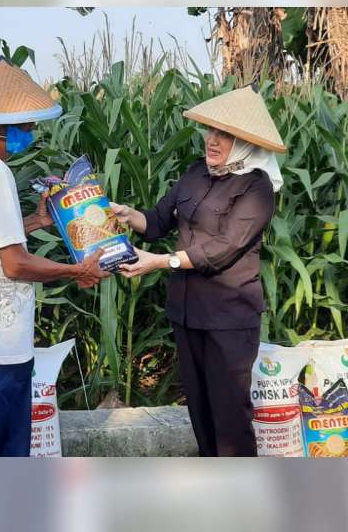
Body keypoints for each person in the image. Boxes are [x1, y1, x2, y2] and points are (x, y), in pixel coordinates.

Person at [0, 58, 109, 457]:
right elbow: (14, 264)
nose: (32, 131)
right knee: (5, 456)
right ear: (4, 124)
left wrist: (35, 221)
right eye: (28, 124)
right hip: (0, 348)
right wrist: (76, 270)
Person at [110, 83, 286, 457]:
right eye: (210, 130)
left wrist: (160, 262)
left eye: (225, 134)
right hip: (188, 315)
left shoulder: (256, 188)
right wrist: (127, 214)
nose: (212, 140)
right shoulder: (194, 174)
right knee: (201, 413)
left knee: (230, 419)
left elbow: (223, 249)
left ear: (245, 143)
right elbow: (156, 221)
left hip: (228, 319)